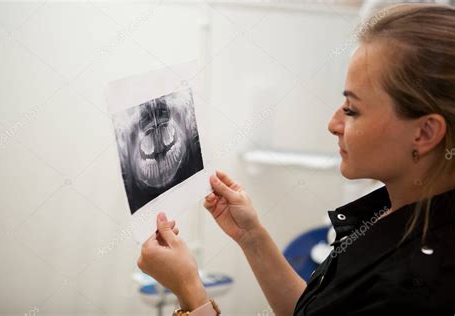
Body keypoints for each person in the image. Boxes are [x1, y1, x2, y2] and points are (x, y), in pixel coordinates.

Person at [136, 3, 455, 315]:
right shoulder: (391, 212)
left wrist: (189, 289)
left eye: (352, 109)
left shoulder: (416, 289)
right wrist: (252, 237)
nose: (334, 124)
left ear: (425, 132)